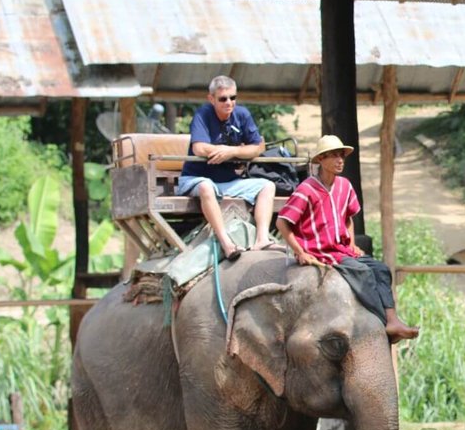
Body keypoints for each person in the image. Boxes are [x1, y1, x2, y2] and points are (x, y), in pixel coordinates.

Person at [275, 135, 419, 343]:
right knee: (363, 272)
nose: (340, 160)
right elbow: (282, 222)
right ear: (321, 160)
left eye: (341, 156)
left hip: (342, 249)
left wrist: (351, 243)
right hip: (321, 252)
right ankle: (381, 322)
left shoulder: (344, 186)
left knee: (380, 269)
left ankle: (392, 319)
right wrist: (300, 251)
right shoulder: (307, 189)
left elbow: (348, 218)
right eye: (334, 156)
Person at [176, 75, 275, 258]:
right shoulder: (203, 114)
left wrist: (230, 151)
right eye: (223, 99)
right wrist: (222, 150)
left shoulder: (242, 115)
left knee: (268, 186)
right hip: (196, 179)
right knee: (206, 187)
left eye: (233, 97)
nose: (229, 102)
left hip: (229, 181)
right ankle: (227, 243)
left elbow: (257, 147)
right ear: (211, 99)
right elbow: (199, 148)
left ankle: (262, 239)